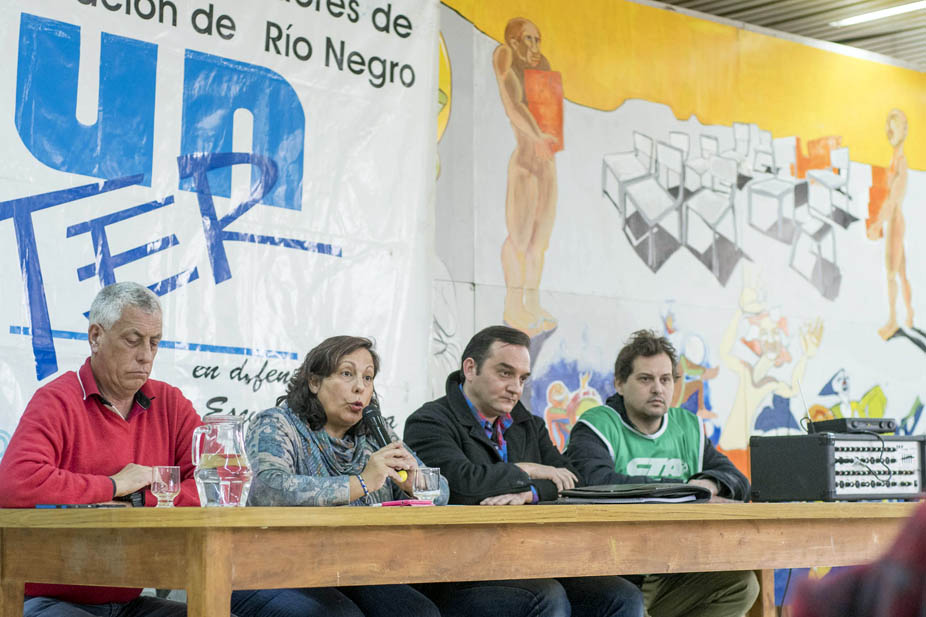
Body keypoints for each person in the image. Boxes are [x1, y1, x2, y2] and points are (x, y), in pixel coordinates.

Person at [405, 325, 644, 617]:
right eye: (505, 373)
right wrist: (527, 469)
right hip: (460, 574)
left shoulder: (527, 423)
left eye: (522, 378)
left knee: (623, 596)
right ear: (470, 368)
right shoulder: (428, 421)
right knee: (546, 597)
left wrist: (529, 494)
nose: (516, 387)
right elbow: (459, 485)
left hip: (532, 562)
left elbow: (574, 482)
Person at [0, 282, 203, 617]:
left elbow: (216, 482)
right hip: (49, 598)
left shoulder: (170, 403)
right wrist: (112, 485)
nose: (146, 355)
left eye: (154, 343)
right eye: (133, 340)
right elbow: (14, 482)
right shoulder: (57, 399)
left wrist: (139, 499)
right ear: (95, 336)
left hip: (128, 601)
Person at [230, 336, 447, 617]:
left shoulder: (375, 435)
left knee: (419, 613)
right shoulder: (276, 423)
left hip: (350, 568)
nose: (360, 387)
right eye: (347, 373)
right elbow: (269, 489)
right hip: (271, 568)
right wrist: (361, 483)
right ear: (314, 382)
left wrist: (414, 484)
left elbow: (441, 492)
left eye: (368, 378)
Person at [565, 330, 759, 617]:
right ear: (619, 383)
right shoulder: (596, 425)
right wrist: (685, 492)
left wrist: (707, 484)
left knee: (741, 585)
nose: (658, 388)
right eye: (646, 379)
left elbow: (737, 481)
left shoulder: (687, 426)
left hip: (673, 568)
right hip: (612, 570)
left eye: (665, 379)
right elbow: (597, 484)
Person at [494, 17, 560, 335]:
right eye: (528, 40)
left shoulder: (542, 64)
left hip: (546, 162)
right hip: (524, 163)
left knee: (539, 242)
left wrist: (545, 140)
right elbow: (514, 105)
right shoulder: (505, 57)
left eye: (538, 39)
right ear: (515, 42)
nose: (534, 46)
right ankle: (513, 305)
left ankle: (531, 303)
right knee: (518, 239)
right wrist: (536, 137)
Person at [869, 108, 914, 340]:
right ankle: (910, 315)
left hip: (896, 224)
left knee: (891, 275)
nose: (889, 131)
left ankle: (893, 320)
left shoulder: (901, 162)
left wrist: (877, 224)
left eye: (893, 126)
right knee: (902, 273)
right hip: (897, 221)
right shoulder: (895, 159)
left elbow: (892, 200)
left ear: (903, 131)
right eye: (888, 126)